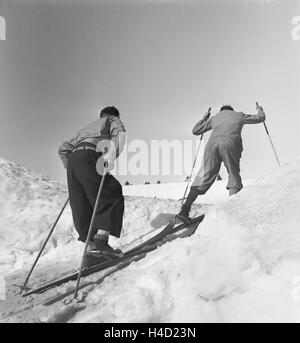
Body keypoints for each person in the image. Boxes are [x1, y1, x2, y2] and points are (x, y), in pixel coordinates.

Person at [58, 106, 126, 262]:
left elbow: (62, 148)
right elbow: (120, 135)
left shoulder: (85, 129)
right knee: (111, 192)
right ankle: (101, 244)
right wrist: (111, 155)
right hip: (90, 155)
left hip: (74, 160)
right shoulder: (112, 120)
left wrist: (73, 167)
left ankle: (90, 252)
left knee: (83, 204)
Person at [178, 103, 266, 220]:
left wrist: (205, 117)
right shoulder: (239, 115)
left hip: (212, 145)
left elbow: (196, 130)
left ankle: (184, 211)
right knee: (233, 174)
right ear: (231, 110)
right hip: (230, 143)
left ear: (221, 111)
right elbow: (260, 118)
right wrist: (260, 110)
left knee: (204, 175)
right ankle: (231, 211)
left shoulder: (215, 117)